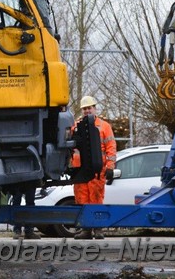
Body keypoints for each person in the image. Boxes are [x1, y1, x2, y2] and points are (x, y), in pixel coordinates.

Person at [72, 95, 117, 240]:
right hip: (80, 169)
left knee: (96, 198)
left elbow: (111, 147)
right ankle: (86, 229)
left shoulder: (104, 126)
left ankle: (98, 229)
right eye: (84, 109)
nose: (86, 111)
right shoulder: (76, 125)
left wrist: (110, 166)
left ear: (94, 108)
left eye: (89, 108)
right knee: (81, 199)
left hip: (97, 170)